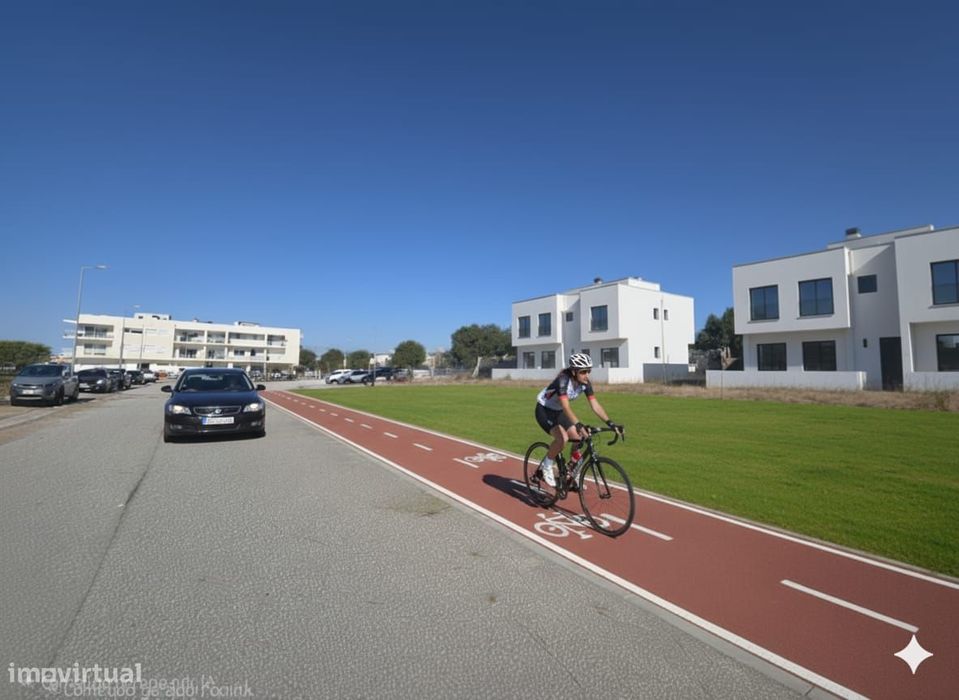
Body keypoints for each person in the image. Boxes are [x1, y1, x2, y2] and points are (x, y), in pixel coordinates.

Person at [534, 353, 622, 487]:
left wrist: (611, 423)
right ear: (574, 372)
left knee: (579, 437)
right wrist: (579, 425)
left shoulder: (585, 383)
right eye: (583, 372)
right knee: (562, 438)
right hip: (544, 410)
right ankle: (547, 465)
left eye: (589, 371)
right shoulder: (563, 381)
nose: (587, 375)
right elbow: (566, 406)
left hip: (558, 411)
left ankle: (572, 469)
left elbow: (595, 405)